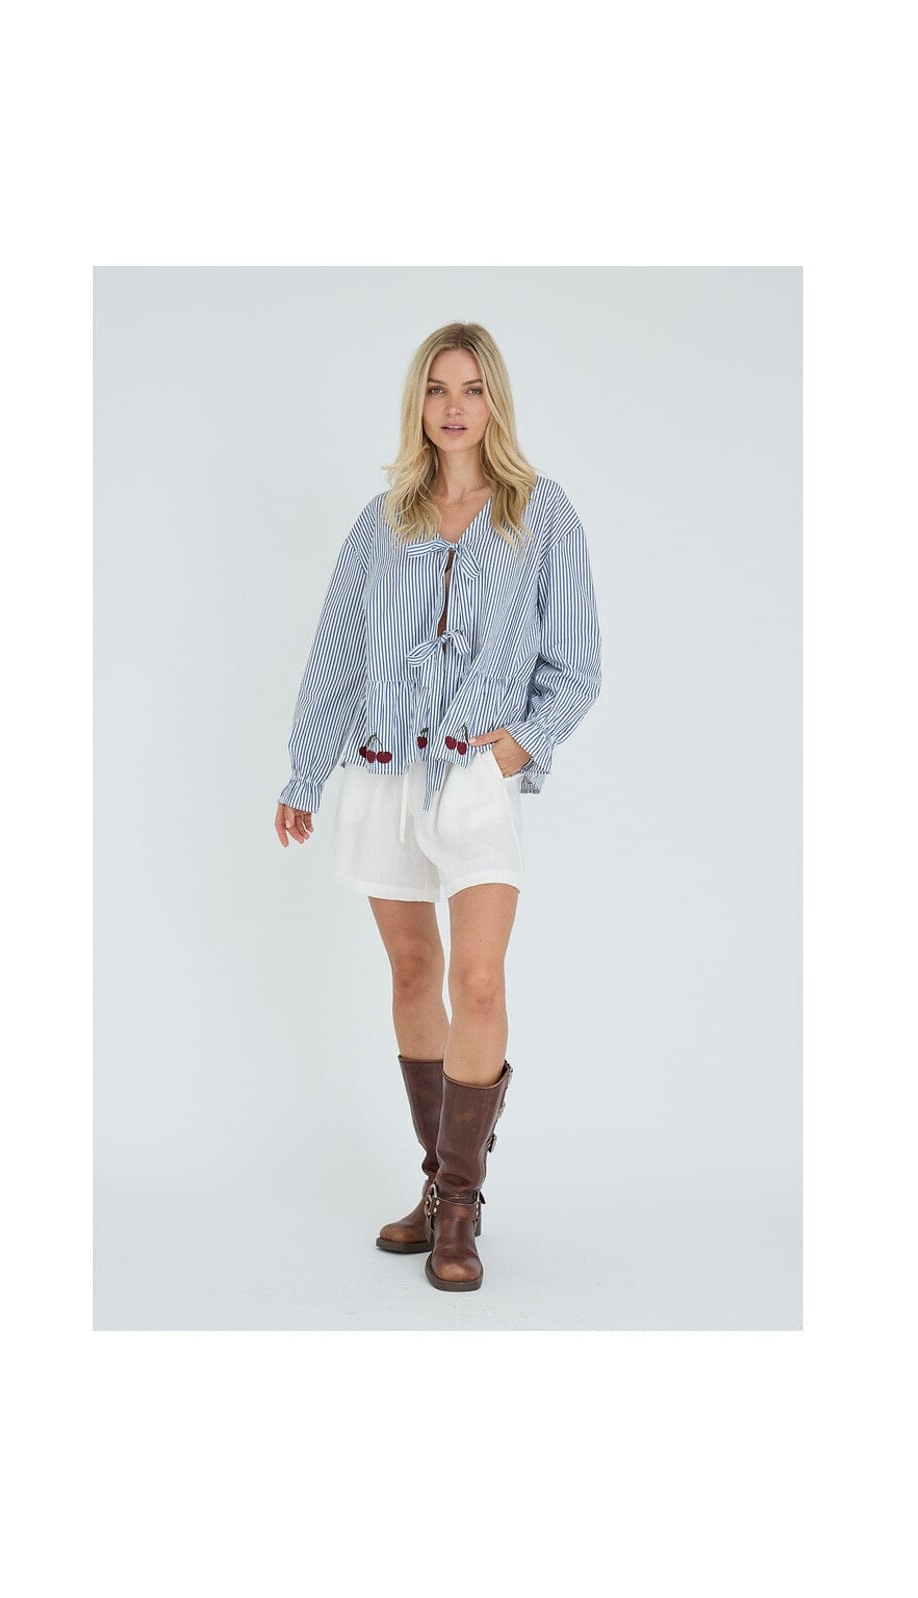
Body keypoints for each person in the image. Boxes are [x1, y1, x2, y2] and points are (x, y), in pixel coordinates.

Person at [274, 322, 602, 1291]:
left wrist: (514, 748)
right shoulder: (381, 523)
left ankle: (462, 1205)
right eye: (436, 389)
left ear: (495, 401)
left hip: (472, 776)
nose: (454, 407)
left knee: (481, 978)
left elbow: (577, 665)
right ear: (417, 404)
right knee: (414, 969)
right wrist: (304, 772)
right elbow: (337, 655)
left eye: (471, 388)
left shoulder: (542, 514)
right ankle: (437, 1188)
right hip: (381, 770)